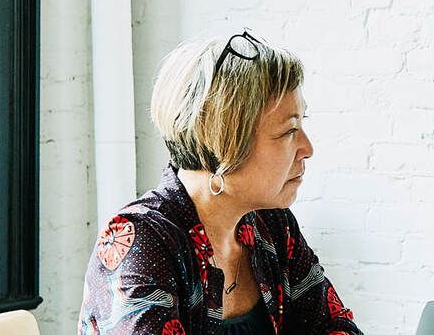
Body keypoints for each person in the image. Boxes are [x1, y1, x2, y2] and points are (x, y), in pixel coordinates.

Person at [79, 31, 360, 335]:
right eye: (288, 132)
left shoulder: (274, 226)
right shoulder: (139, 241)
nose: (307, 148)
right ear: (223, 144)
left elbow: (336, 327)